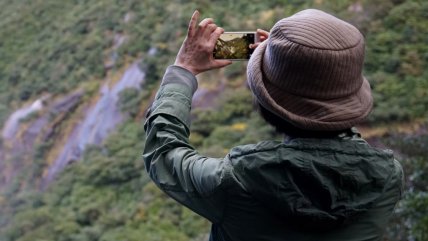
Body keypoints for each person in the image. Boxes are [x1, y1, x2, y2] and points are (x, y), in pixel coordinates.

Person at [143, 9, 404, 241]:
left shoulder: (234, 182)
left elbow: (163, 154)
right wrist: (298, 64)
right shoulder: (389, 178)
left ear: (267, 104)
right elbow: (342, 145)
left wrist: (183, 69)